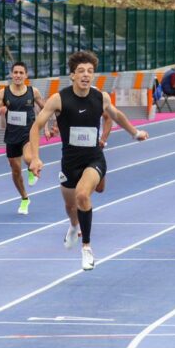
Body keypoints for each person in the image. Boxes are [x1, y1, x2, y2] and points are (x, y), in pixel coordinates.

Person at [29, 51, 149, 270]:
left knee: (82, 195)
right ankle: (74, 225)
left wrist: (135, 133)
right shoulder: (59, 99)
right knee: (70, 205)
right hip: (69, 163)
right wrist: (36, 157)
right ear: (72, 75)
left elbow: (116, 115)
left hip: (94, 158)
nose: (86, 75)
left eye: (90, 72)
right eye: (81, 71)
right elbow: (36, 127)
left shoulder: (100, 97)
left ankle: (86, 248)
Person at [0, 62, 50, 215]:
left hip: (29, 133)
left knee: (29, 157)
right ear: (11, 74)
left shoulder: (33, 91)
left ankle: (31, 168)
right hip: (11, 135)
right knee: (15, 171)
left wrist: (47, 127)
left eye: (21, 73)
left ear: (26, 75)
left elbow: (46, 109)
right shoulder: (3, 93)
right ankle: (24, 198)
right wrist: (0, 112)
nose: (17, 75)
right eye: (15, 72)